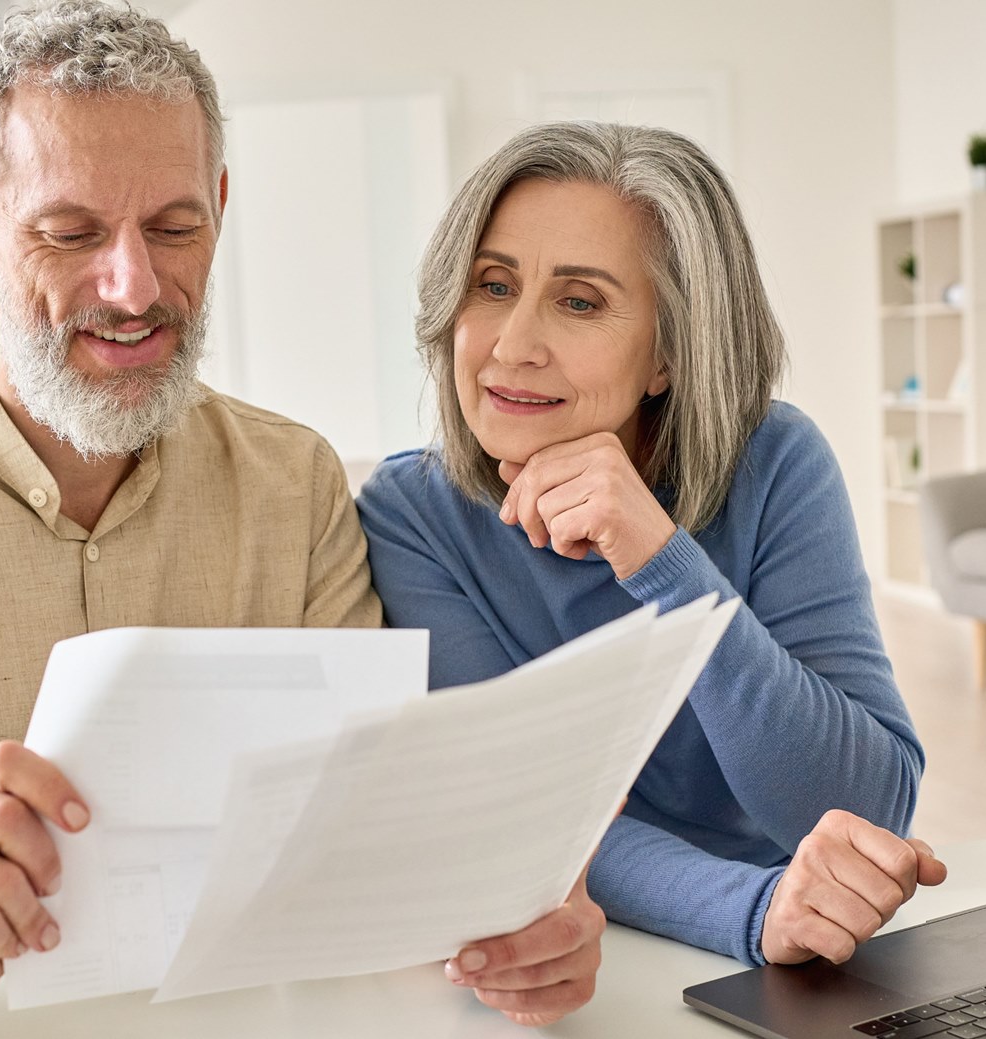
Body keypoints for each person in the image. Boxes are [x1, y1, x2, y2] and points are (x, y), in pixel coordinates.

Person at [0, 5, 599, 1037]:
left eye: (174, 227)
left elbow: (365, 830)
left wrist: (513, 911)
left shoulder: (295, 484)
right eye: (70, 233)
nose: (135, 286)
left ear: (221, 209)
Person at [357, 121, 947, 973]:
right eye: (492, 286)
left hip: (791, 949)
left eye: (579, 301)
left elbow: (868, 809)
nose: (512, 345)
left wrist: (665, 564)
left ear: (668, 352)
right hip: (575, 948)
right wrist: (752, 909)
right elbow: (522, 810)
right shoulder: (411, 514)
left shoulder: (777, 462)